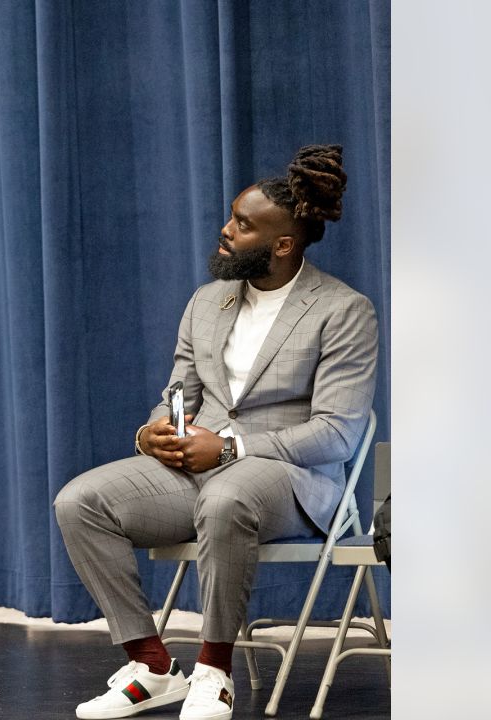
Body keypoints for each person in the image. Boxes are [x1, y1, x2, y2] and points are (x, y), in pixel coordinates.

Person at [53, 145, 377, 720]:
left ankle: (214, 672)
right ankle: (153, 667)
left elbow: (339, 433)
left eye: (243, 225)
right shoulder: (208, 301)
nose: (225, 231)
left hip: (292, 481)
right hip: (200, 471)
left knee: (228, 496)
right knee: (81, 502)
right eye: (231, 217)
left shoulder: (343, 310)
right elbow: (179, 396)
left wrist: (231, 446)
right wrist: (154, 431)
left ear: (283, 245)